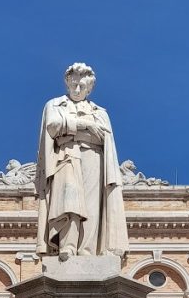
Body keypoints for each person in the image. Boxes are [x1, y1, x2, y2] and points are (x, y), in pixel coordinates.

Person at [35, 63, 128, 260]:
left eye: (82, 86)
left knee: (92, 206)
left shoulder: (100, 111)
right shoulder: (55, 104)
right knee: (69, 201)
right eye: (74, 84)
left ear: (90, 88)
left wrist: (70, 130)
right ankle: (67, 248)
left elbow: (104, 137)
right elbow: (53, 126)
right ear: (67, 82)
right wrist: (84, 125)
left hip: (93, 158)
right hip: (65, 156)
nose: (77, 90)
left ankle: (87, 251)